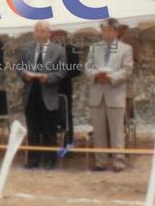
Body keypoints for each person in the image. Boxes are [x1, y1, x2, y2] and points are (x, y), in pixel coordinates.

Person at [85, 17, 134, 171]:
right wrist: (95, 75)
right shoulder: (94, 48)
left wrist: (111, 77)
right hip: (97, 93)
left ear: (115, 31)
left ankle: (118, 162)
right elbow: (88, 66)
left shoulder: (125, 49)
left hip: (115, 93)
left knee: (117, 130)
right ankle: (101, 161)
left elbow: (127, 70)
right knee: (98, 130)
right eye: (103, 31)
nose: (105, 34)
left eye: (108, 31)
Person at [16, 20, 65, 170]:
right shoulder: (26, 49)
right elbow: (19, 67)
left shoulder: (58, 50)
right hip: (31, 94)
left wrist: (48, 78)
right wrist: (25, 75)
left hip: (48, 94)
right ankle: (33, 160)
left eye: (43, 31)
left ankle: (50, 160)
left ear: (49, 33)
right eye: (37, 30)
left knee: (49, 130)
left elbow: (61, 72)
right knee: (33, 130)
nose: (40, 33)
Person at [50, 29, 83, 147]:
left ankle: (68, 145)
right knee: (49, 116)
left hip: (64, 88)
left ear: (64, 35)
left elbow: (76, 71)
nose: (55, 37)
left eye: (58, 34)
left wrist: (62, 74)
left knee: (66, 116)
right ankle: (50, 144)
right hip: (48, 89)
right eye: (53, 34)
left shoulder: (70, 49)